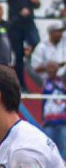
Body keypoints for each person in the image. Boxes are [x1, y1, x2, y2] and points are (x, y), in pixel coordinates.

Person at [2, 0, 41, 89]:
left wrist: (36, 2)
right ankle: (21, 84)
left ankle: (27, 52)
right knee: (18, 56)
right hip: (15, 23)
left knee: (35, 40)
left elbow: (37, 4)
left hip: (29, 22)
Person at [31, 20, 66, 157]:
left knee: (63, 153)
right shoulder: (42, 47)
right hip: (49, 120)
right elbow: (34, 68)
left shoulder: (64, 43)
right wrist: (49, 67)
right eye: (57, 31)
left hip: (63, 121)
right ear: (51, 33)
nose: (60, 34)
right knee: (48, 152)